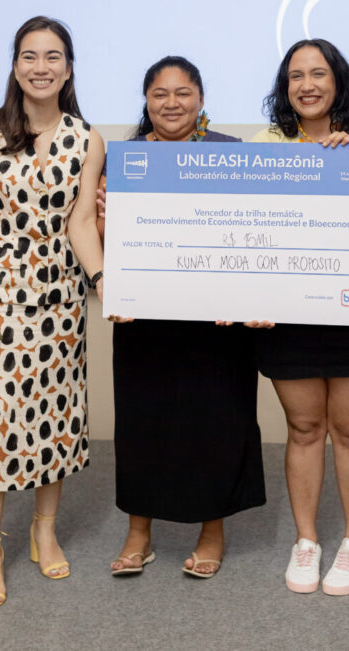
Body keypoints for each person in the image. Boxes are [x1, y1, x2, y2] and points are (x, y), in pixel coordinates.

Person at [0, 16, 104, 608]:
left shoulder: (86, 138)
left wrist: (103, 282)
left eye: (52, 56)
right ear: (15, 65)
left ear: (68, 68)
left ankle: (45, 529)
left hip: (60, 302)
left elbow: (80, 223)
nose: (40, 67)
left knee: (55, 418)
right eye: (29, 56)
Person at [102, 56, 266, 580]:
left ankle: (211, 531)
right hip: (143, 317)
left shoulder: (231, 154)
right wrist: (107, 220)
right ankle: (139, 533)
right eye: (159, 94)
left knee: (216, 419)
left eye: (182, 93)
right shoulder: (123, 159)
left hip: (216, 321)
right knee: (142, 422)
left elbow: (252, 230)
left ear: (200, 98)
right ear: (146, 100)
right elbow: (106, 242)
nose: (171, 103)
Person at [252, 38, 349, 596]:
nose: (307, 84)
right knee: (304, 428)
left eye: (319, 73)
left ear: (339, 80)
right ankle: (307, 540)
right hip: (287, 314)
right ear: (285, 86)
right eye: (296, 76)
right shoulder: (266, 144)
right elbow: (248, 226)